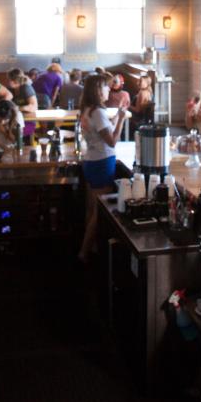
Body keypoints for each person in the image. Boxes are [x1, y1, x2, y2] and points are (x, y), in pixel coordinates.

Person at [78, 72, 127, 261]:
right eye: (106, 86)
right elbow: (112, 141)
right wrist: (121, 119)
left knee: (91, 208)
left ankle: (92, 246)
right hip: (101, 163)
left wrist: (117, 116)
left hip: (90, 160)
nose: (109, 89)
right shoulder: (98, 112)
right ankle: (84, 252)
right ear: (98, 90)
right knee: (100, 211)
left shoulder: (88, 109)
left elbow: (104, 129)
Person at [6, 68, 38, 141]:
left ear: (14, 80)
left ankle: (20, 148)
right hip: (15, 120)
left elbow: (34, 107)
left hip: (28, 122)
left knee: (13, 133)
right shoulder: (11, 89)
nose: (8, 82)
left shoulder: (26, 88)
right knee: (2, 130)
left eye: (9, 80)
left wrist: (18, 108)